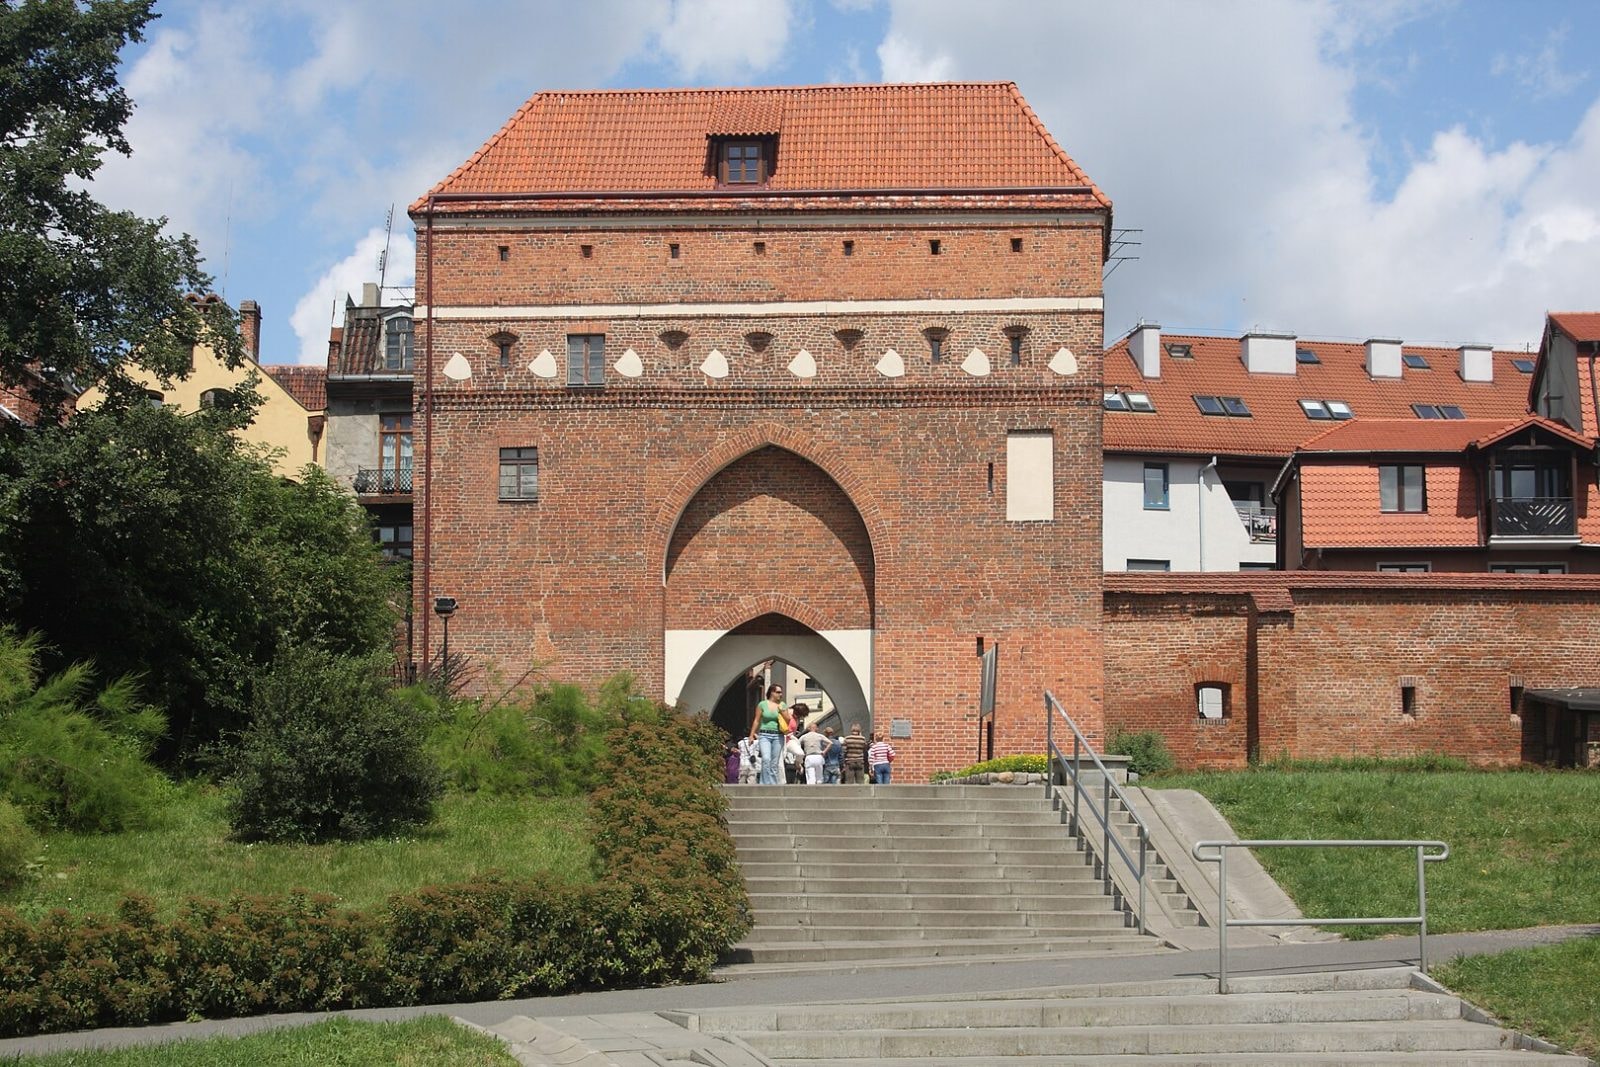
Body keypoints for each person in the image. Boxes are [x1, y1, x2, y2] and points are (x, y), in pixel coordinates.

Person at [748, 684, 790, 786]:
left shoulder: (782, 705)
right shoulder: (762, 704)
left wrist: (781, 710)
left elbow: (788, 719)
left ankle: (773, 784)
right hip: (764, 735)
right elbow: (757, 720)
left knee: (774, 762)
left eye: (781, 692)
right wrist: (751, 734)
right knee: (766, 758)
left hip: (778, 735)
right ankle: (765, 784)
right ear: (772, 692)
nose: (780, 694)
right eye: (778, 692)